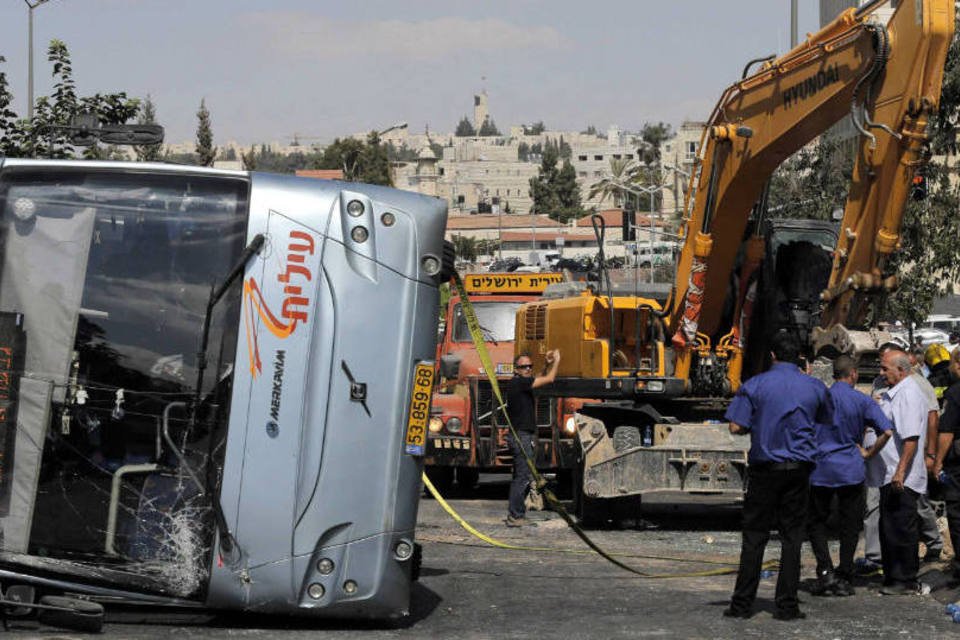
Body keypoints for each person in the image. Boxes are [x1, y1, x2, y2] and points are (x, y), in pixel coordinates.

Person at [723, 332, 832, 621]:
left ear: (772, 356)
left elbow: (735, 427)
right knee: (792, 538)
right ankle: (787, 605)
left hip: (764, 470)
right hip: (799, 471)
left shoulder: (755, 384)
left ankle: (742, 605)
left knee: (755, 538)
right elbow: (824, 419)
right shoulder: (815, 386)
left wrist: (758, 425)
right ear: (800, 358)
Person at [808, 355, 893, 597]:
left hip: (821, 469)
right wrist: (867, 452)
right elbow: (886, 431)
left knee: (816, 522)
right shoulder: (861, 400)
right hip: (851, 469)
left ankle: (825, 570)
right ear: (853, 373)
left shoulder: (819, 399)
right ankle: (845, 573)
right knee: (850, 524)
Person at [873, 348, 930, 595]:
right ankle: (893, 576)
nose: (881, 372)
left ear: (901, 369)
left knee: (901, 528)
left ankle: (904, 579)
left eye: (885, 368)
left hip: (901, 477)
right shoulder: (895, 393)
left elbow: (911, 438)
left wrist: (900, 471)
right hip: (891, 475)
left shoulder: (907, 394)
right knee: (890, 527)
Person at [504, 349, 560, 527]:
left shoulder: (521, 382)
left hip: (522, 435)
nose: (528, 369)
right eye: (524, 367)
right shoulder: (519, 383)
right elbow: (549, 379)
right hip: (521, 436)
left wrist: (545, 364)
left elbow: (537, 377)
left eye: (530, 366)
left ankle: (516, 514)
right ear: (516, 369)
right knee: (522, 477)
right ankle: (515, 515)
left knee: (521, 475)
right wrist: (557, 361)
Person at [933, 348, 960, 580]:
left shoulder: (955, 393)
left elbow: (947, 431)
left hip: (957, 467)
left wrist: (938, 461)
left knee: (957, 514)